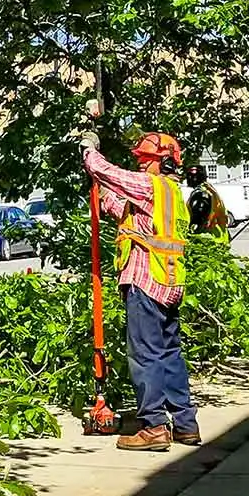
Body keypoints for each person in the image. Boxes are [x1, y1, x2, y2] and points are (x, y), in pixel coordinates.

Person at [84, 131, 198, 451]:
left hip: (145, 282)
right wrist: (101, 190)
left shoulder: (151, 186)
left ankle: (154, 426)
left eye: (143, 160)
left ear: (157, 161)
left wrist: (89, 151)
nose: (141, 166)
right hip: (170, 283)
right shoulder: (171, 193)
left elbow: (109, 172)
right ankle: (186, 424)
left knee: (145, 355)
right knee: (169, 354)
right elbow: (121, 208)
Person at [184, 164, 230, 236]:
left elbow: (198, 216)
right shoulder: (209, 190)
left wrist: (191, 229)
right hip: (216, 235)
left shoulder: (200, 193)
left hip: (206, 237)